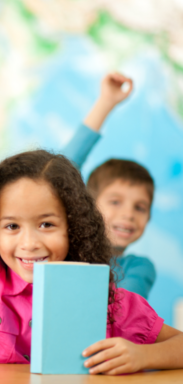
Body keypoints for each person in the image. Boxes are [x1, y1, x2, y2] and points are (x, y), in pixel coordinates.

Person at [0, 14, 183, 374]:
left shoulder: (105, 300)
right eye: (11, 226)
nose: (29, 243)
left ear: (74, 224)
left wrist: (143, 355)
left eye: (46, 224)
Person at [62, 73, 156, 299]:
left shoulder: (138, 268)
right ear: (88, 206)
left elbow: (122, 313)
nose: (128, 214)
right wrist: (106, 103)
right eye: (115, 201)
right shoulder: (66, 249)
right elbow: (61, 173)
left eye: (140, 207)